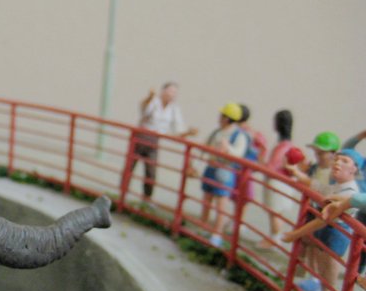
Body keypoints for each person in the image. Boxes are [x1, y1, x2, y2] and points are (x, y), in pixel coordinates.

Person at [283, 149, 363, 291]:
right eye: (337, 159)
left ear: (354, 169)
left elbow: (323, 219)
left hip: (336, 234)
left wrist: (295, 234)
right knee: (321, 264)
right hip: (327, 231)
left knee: (329, 271)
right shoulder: (337, 186)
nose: (337, 163)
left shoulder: (350, 192)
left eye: (344, 161)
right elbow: (317, 186)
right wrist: (296, 172)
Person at [126, 82, 198, 202]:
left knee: (151, 171)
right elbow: (144, 110)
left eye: (174, 93)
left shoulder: (174, 108)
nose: (171, 95)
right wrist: (149, 97)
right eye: (170, 91)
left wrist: (188, 132)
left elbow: (179, 128)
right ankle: (123, 193)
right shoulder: (154, 101)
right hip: (141, 136)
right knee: (130, 167)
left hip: (154, 141)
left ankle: (146, 198)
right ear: (163, 91)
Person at [197, 103, 248, 247]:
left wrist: (228, 149)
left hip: (225, 171)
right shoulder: (217, 132)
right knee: (206, 201)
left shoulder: (239, 136)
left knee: (221, 205)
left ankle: (217, 233)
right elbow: (205, 146)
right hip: (211, 168)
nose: (219, 118)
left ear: (227, 118)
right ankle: (203, 227)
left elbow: (239, 154)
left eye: (222, 116)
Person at [256, 110, 296, 249]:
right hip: (279, 182)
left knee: (275, 213)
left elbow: (271, 167)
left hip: (278, 183)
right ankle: (274, 237)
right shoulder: (285, 145)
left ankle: (274, 238)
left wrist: (262, 150)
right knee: (275, 213)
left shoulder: (283, 147)